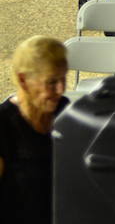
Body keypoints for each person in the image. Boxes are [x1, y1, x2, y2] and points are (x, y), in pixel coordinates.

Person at [0, 36, 67, 222]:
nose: (61, 89)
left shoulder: (65, 110)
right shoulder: (4, 124)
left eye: (63, 78)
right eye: (51, 82)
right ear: (23, 80)